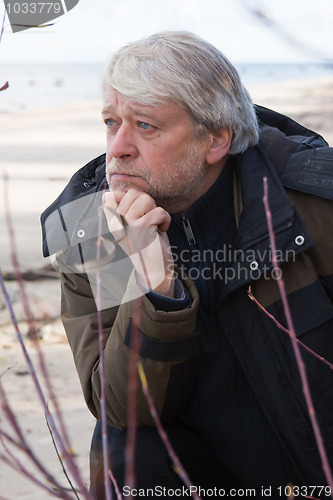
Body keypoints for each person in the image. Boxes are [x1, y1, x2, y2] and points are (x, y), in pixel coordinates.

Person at [41, 31, 333, 499]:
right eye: (111, 122)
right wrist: (157, 291)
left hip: (313, 474)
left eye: (146, 126)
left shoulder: (311, 206)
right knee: (129, 448)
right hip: (187, 482)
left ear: (216, 138)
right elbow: (125, 409)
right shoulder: (98, 237)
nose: (118, 147)